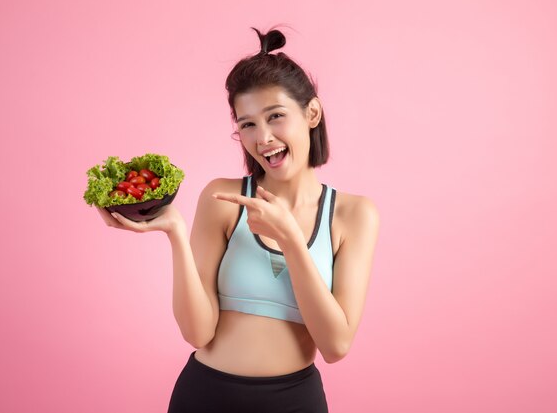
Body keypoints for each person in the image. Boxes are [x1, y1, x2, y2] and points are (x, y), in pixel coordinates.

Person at [97, 26, 380, 413]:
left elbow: (336, 346)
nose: (262, 138)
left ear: (311, 113)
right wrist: (176, 234)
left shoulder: (353, 215)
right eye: (247, 124)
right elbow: (197, 332)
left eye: (275, 116)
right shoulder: (224, 198)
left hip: (295, 401)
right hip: (206, 395)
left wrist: (292, 241)